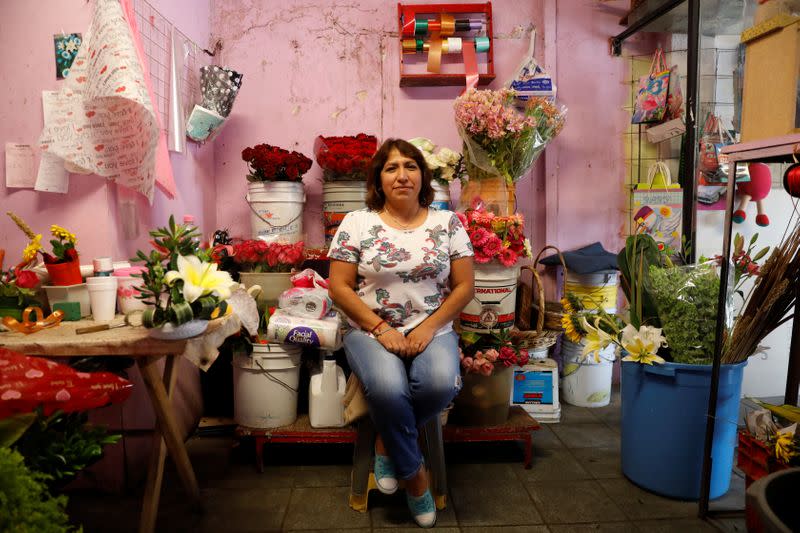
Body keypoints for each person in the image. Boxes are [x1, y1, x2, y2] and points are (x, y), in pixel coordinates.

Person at [328, 138, 474, 528]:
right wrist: (379, 327)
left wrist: (428, 327)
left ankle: (384, 440)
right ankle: (416, 478)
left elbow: (464, 288)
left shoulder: (448, 223)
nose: (402, 175)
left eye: (410, 166)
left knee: (442, 383)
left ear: (423, 176)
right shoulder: (357, 222)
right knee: (389, 390)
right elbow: (339, 286)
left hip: (433, 328)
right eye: (391, 167)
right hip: (368, 330)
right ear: (379, 178)